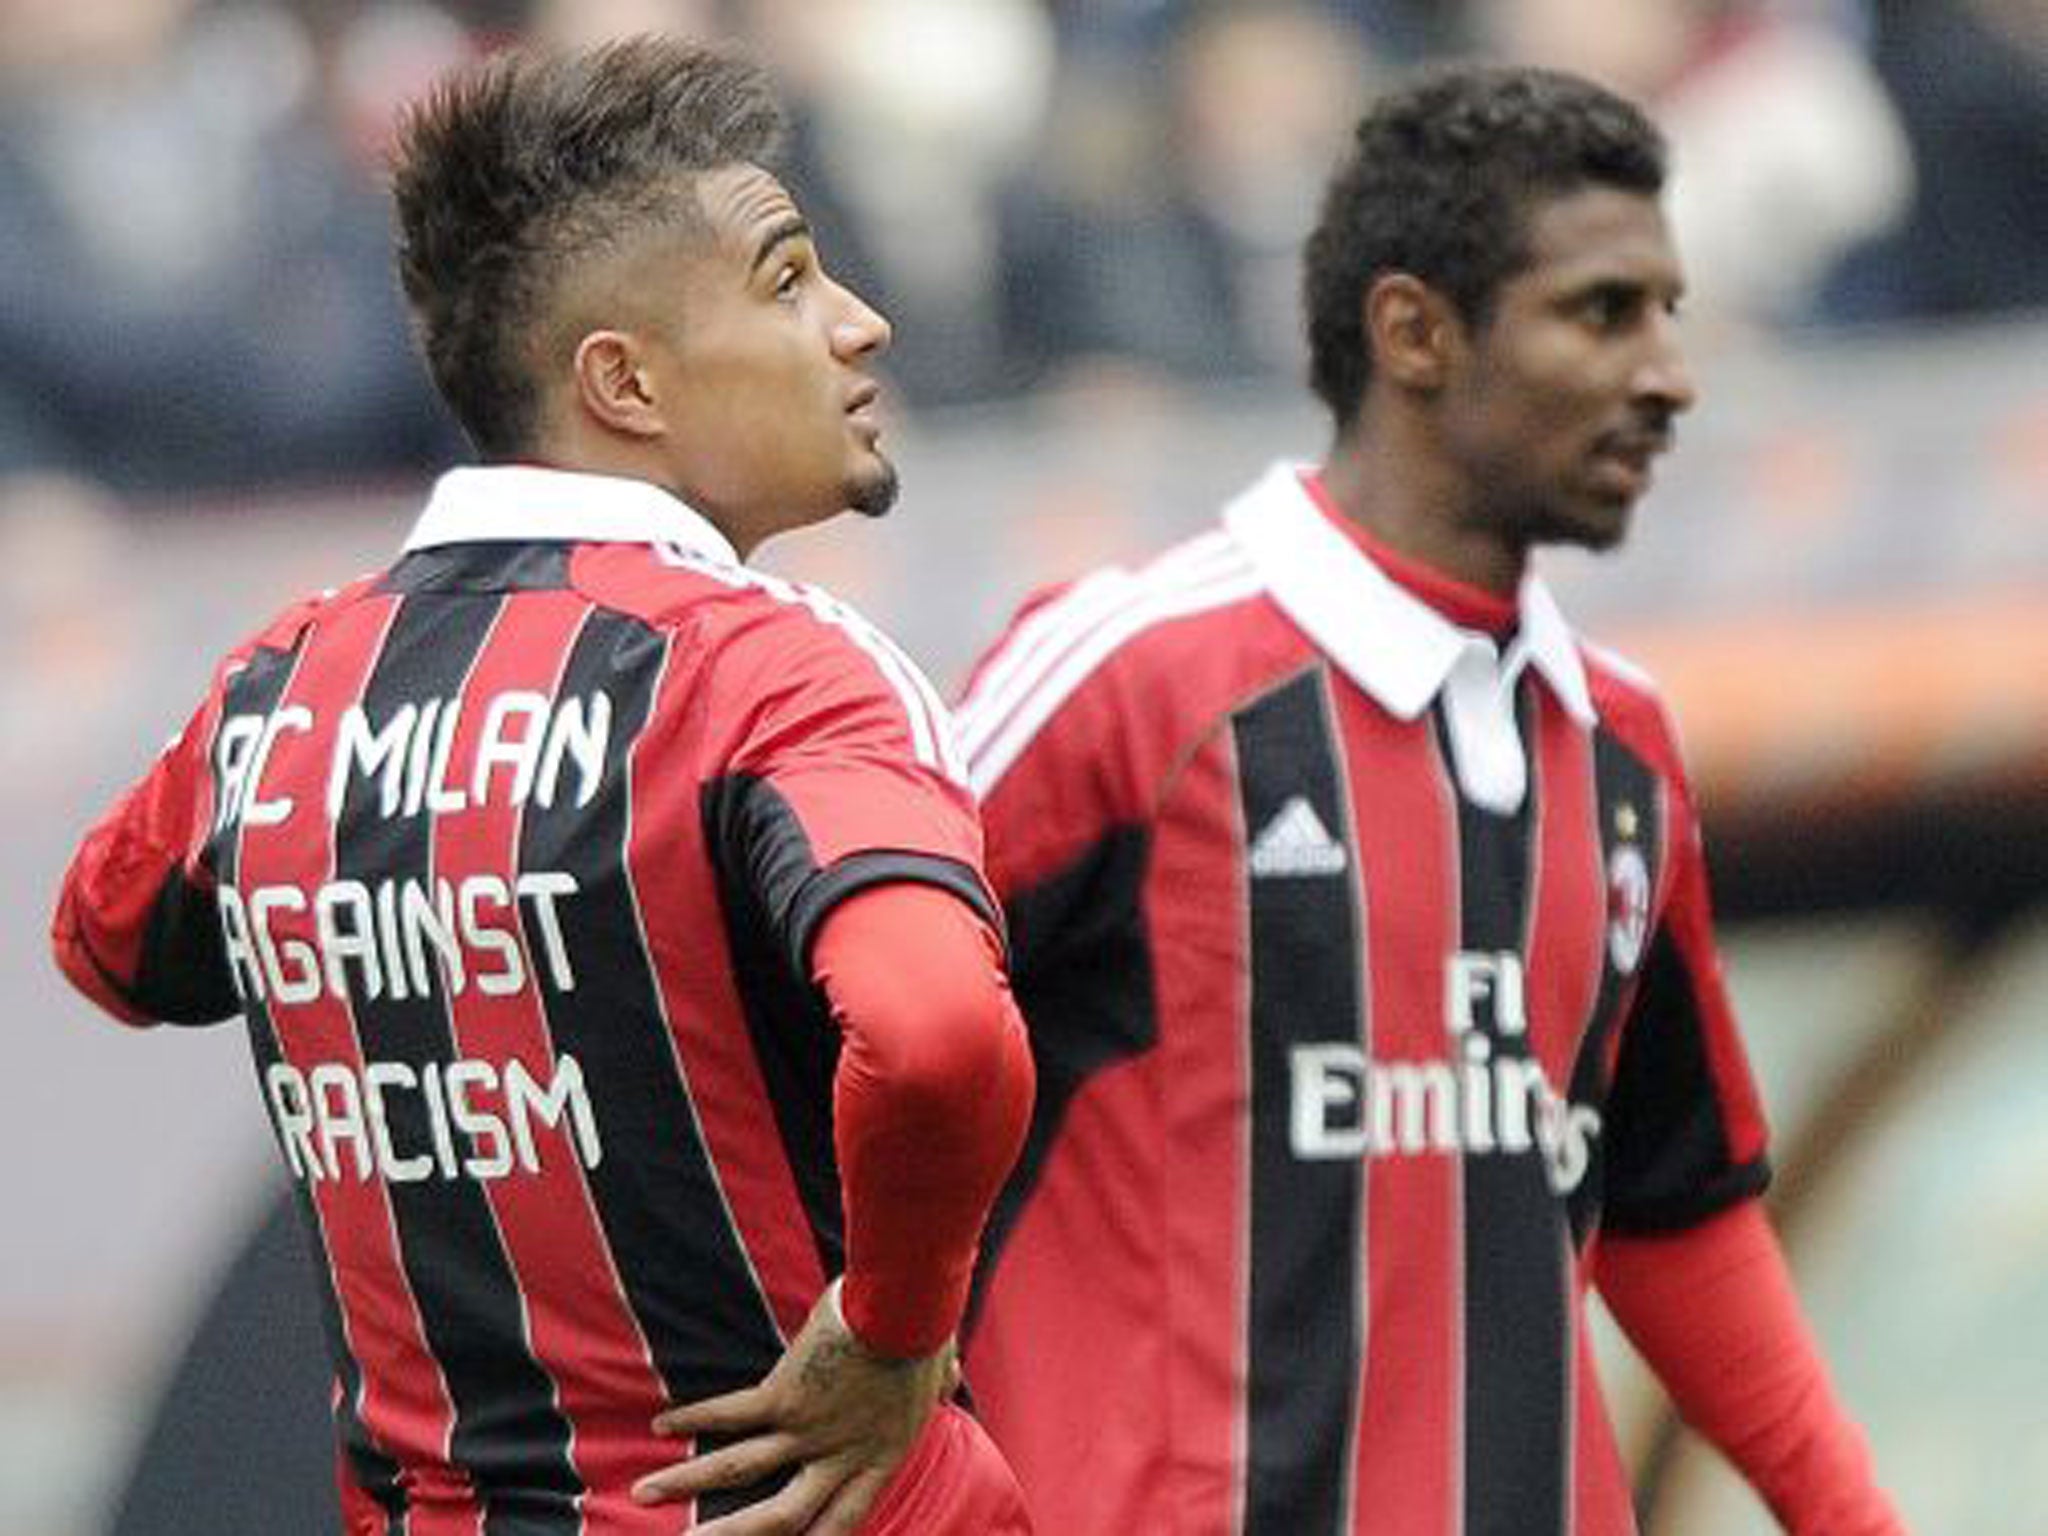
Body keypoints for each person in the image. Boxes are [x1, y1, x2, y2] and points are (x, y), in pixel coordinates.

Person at [50, 36, 1034, 1536]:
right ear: (624, 382)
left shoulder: (278, 688)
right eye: (787, 282)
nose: (861, 323)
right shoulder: (771, 672)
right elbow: (938, 1033)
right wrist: (898, 1326)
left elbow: (107, 945)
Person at [955, 64, 1904, 1536]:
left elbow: (1671, 1205)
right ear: (1414, 331)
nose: (1670, 373)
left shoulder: (1625, 745)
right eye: (1604, 312)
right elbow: (830, 1043)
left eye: (1670, 311)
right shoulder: (1126, 681)